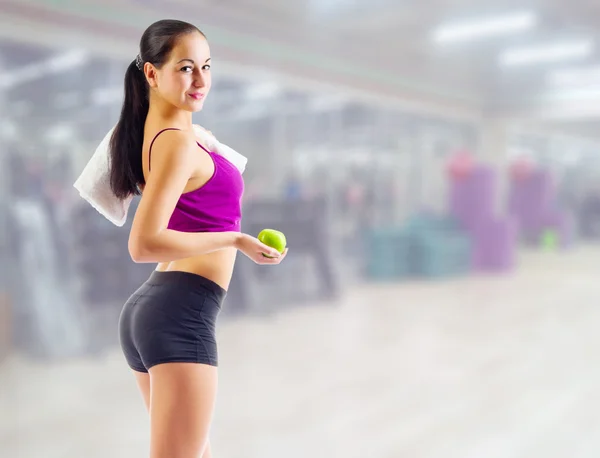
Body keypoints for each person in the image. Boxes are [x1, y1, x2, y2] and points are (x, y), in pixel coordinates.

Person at [110, 19, 287, 458]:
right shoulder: (174, 141)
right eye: (186, 68)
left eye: (207, 66)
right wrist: (234, 241)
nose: (202, 80)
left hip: (162, 307)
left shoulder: (171, 132)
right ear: (152, 73)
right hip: (178, 316)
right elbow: (143, 243)